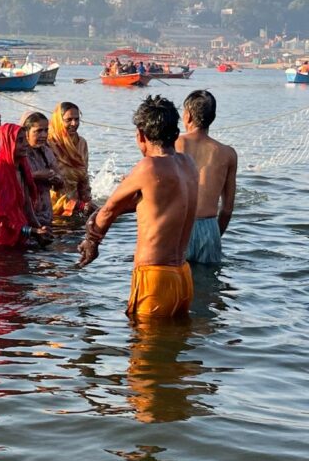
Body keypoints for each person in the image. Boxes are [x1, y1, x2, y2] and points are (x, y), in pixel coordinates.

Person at [78, 95, 198, 320]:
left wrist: (91, 241)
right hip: (182, 275)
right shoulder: (188, 164)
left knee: (144, 350)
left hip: (155, 277)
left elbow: (108, 210)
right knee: (174, 347)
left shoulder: (148, 167)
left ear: (141, 135)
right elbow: (159, 205)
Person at [175, 90, 237, 264]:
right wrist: (214, 235)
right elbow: (227, 209)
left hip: (178, 227)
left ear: (187, 116)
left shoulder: (173, 144)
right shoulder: (228, 153)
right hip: (210, 229)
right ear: (213, 117)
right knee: (208, 287)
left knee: (176, 286)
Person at [48, 101, 94, 217]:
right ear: (59, 121)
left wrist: (87, 203)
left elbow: (84, 178)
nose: (74, 123)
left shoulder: (81, 143)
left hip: (76, 207)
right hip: (52, 208)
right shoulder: (48, 144)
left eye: (77, 119)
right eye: (68, 120)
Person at [22, 111, 64, 226]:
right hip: (24, 213)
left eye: (46, 130)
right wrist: (36, 175)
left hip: (45, 212)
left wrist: (57, 179)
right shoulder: (20, 152)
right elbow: (11, 179)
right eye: (38, 131)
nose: (44, 135)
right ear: (26, 132)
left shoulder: (46, 151)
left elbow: (60, 182)